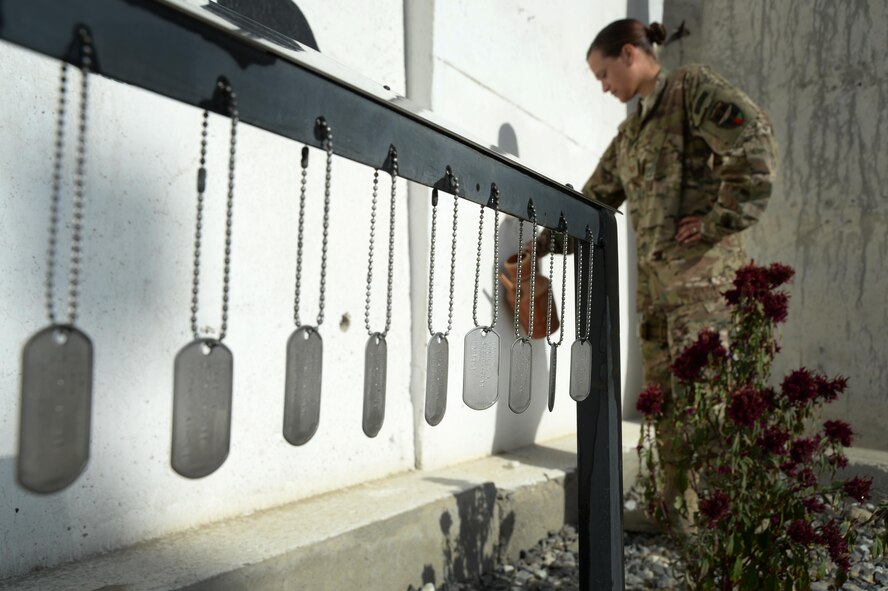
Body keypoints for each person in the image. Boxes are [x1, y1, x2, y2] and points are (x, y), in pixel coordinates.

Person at [561, 19, 778, 530]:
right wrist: (538, 245)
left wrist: (717, 220)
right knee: (666, 404)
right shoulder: (631, 134)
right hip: (658, 297)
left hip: (707, 291)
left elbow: (755, 148)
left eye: (604, 72)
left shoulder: (691, 91)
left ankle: (724, 523)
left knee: (713, 404)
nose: (603, 86)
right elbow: (594, 200)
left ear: (631, 54)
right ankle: (676, 512)